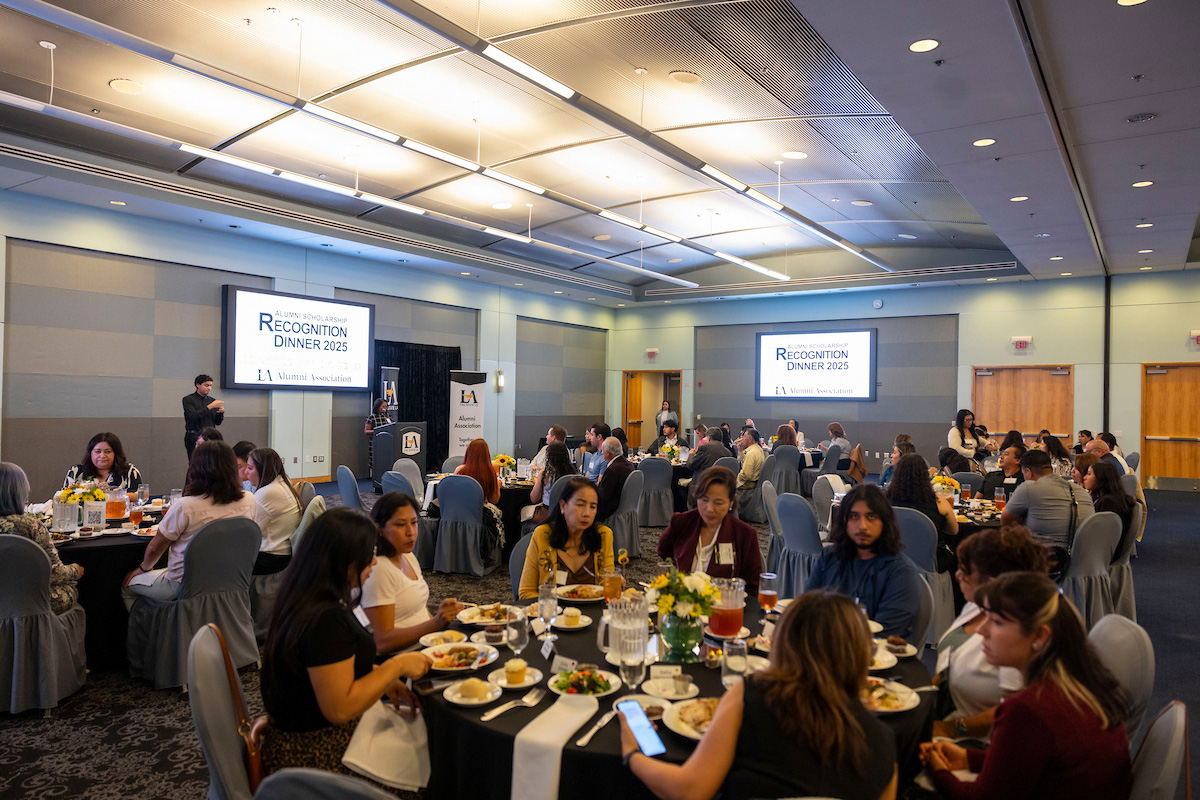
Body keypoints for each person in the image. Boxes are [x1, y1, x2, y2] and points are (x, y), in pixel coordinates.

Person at [620, 590, 898, 800]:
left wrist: (632, 754)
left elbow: (688, 790)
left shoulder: (753, 695)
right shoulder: (885, 745)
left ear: (784, 642)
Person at [921, 572, 1131, 800]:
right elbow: (1031, 762)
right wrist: (967, 758)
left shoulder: (1029, 710)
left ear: (1039, 636)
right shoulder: (1080, 685)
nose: (982, 630)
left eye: (996, 622)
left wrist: (936, 769)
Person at [260, 508, 432, 778]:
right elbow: (339, 709)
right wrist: (396, 667)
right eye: (368, 554)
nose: (373, 562)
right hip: (316, 753)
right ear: (346, 561)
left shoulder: (307, 597)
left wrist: (379, 677)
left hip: (305, 735)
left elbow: (327, 668)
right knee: (433, 761)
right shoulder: (325, 621)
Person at [932, 525, 1049, 742]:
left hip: (981, 742)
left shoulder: (1014, 636)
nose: (957, 575)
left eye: (966, 571)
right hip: (948, 716)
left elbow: (1011, 713)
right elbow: (951, 654)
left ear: (992, 583)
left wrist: (950, 729)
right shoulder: (975, 606)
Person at [121, 441, 257, 609]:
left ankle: (159, 624)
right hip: (230, 581)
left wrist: (144, 568)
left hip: (185, 585)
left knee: (127, 586)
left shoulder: (185, 506)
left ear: (195, 469)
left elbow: (156, 547)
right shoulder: (249, 499)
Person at [807, 484, 923, 639]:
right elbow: (807, 608)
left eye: (871, 517)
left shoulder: (901, 572)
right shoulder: (829, 557)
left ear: (885, 522)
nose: (862, 526)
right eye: (854, 516)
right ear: (844, 521)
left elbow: (881, 635)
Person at [361, 492, 464, 654]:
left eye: (414, 523)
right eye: (400, 525)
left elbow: (420, 610)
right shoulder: (379, 570)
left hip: (426, 646)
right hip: (401, 658)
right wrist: (437, 623)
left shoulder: (407, 556)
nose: (411, 532)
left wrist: (440, 628)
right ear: (379, 528)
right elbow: (383, 643)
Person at [657, 466, 763, 596]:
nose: (709, 509)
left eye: (718, 503)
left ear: (731, 503)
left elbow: (754, 586)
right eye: (704, 500)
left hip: (724, 604)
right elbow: (664, 552)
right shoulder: (681, 522)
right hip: (684, 602)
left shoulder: (744, 534)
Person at [1, 462, 83, 614]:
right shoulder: (31, 526)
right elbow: (54, 573)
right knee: (70, 586)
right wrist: (75, 570)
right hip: (30, 600)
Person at [518, 476, 614, 599]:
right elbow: (526, 593)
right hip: (551, 609)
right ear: (563, 506)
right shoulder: (543, 535)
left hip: (593, 610)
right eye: (580, 505)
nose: (587, 513)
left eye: (593, 507)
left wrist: (613, 585)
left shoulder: (603, 535)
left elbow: (607, 591)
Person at [1001, 450, 1094, 549]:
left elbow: (1005, 520)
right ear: (1051, 469)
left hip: (1043, 554)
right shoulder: (1082, 492)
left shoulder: (1029, 488)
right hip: (1081, 554)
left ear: (1028, 472)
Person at [247, 447, 304, 575]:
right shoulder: (281, 483)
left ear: (263, 470)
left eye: (250, 468)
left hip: (272, 558)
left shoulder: (267, 493)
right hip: (282, 552)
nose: (246, 472)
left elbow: (249, 533)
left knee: (224, 556)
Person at [886, 453, 958, 543]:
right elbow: (954, 530)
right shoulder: (938, 501)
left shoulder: (884, 501)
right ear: (925, 475)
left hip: (893, 549)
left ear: (896, 474)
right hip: (930, 550)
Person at [1084, 461, 1137, 558]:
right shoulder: (1112, 497)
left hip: (1105, 553)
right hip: (1107, 549)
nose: (1085, 477)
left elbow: (1101, 533)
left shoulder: (1109, 502)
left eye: (1089, 474)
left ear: (1100, 478)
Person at [62, 432, 143, 491]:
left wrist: (108, 493)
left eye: (108, 452)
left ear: (116, 453)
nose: (102, 456)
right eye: (97, 452)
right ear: (90, 453)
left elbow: (140, 496)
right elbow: (63, 497)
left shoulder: (129, 472)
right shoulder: (76, 472)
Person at [685, 427, 732, 506]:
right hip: (721, 487)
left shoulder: (704, 448)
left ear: (709, 438)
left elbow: (690, 465)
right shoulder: (728, 453)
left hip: (703, 486)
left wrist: (691, 454)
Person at [182, 374, 224, 460]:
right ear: (198, 385)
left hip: (210, 437)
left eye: (210, 386)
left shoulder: (212, 400)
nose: (209, 388)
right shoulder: (188, 399)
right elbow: (192, 416)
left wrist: (220, 413)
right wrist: (210, 407)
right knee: (195, 461)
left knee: (211, 462)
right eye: (206, 385)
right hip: (194, 436)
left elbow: (217, 422)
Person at [595, 437, 635, 523]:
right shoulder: (629, 465)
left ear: (608, 453)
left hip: (612, 509)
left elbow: (604, 497)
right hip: (625, 507)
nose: (602, 453)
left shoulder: (612, 470)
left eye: (603, 451)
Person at [454, 438, 500, 505]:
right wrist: (497, 486)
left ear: (468, 452)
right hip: (481, 509)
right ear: (486, 454)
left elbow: (455, 492)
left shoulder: (460, 470)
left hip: (462, 508)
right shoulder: (490, 471)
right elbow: (495, 500)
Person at [529, 441, 575, 508]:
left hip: (548, 510)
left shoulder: (545, 474)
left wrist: (537, 482)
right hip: (566, 510)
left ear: (548, 456)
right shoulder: (572, 473)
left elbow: (534, 499)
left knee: (524, 510)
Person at [734, 428, 765, 510]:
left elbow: (746, 475)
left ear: (750, 439)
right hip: (754, 484)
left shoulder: (751, 453)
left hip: (747, 486)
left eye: (744, 436)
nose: (741, 439)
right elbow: (744, 461)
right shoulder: (758, 449)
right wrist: (740, 450)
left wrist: (736, 478)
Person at [363, 398, 391, 472]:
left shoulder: (388, 417)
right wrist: (378, 431)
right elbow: (366, 431)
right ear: (377, 406)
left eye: (386, 406)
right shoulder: (372, 417)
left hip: (387, 443)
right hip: (376, 444)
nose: (384, 408)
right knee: (376, 463)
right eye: (383, 406)